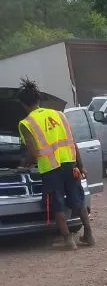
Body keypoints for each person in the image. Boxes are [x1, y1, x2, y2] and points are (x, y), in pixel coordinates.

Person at [17, 77, 95, 249]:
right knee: (78, 199)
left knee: (57, 203)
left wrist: (24, 165)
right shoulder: (59, 115)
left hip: (50, 169)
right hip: (70, 164)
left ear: (23, 104)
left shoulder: (26, 123)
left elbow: (34, 152)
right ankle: (89, 235)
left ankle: (68, 240)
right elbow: (72, 142)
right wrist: (81, 166)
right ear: (38, 99)